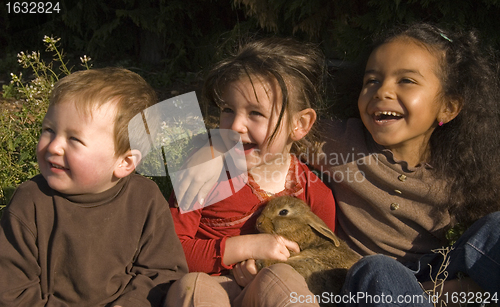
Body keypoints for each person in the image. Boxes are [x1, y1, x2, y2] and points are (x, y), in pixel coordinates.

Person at [172, 23, 500, 306]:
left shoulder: (465, 169)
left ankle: (435, 293)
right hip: (360, 276)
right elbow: (280, 132)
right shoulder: (337, 141)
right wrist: (206, 146)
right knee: (379, 269)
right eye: (372, 80)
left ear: (449, 107)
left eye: (406, 81)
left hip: (434, 270)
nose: (382, 91)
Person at [165, 37, 337, 307]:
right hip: (211, 288)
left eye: (256, 113)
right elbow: (169, 250)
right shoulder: (202, 173)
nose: (235, 126)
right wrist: (245, 248)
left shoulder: (315, 193)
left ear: (300, 123)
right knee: (194, 287)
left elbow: (325, 257)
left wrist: (269, 264)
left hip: (271, 292)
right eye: (227, 109)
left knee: (282, 281)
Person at [0, 68, 188, 306]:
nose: (54, 146)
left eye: (74, 139)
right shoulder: (30, 202)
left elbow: (163, 273)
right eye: (49, 130)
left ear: (125, 162)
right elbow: (11, 291)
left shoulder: (145, 200)